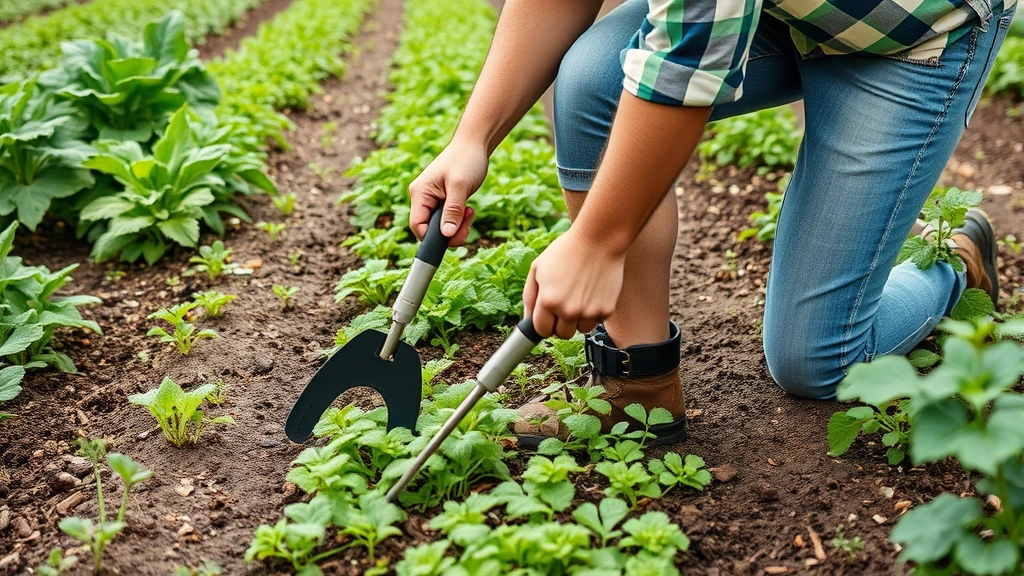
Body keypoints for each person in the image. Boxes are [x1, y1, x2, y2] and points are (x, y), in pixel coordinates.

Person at [407, 0, 1015, 445]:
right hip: (779, 14)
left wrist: (597, 241)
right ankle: (638, 386)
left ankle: (954, 259)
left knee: (814, 363)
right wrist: (472, 138)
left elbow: (686, 57)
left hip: (907, 36)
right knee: (598, 75)